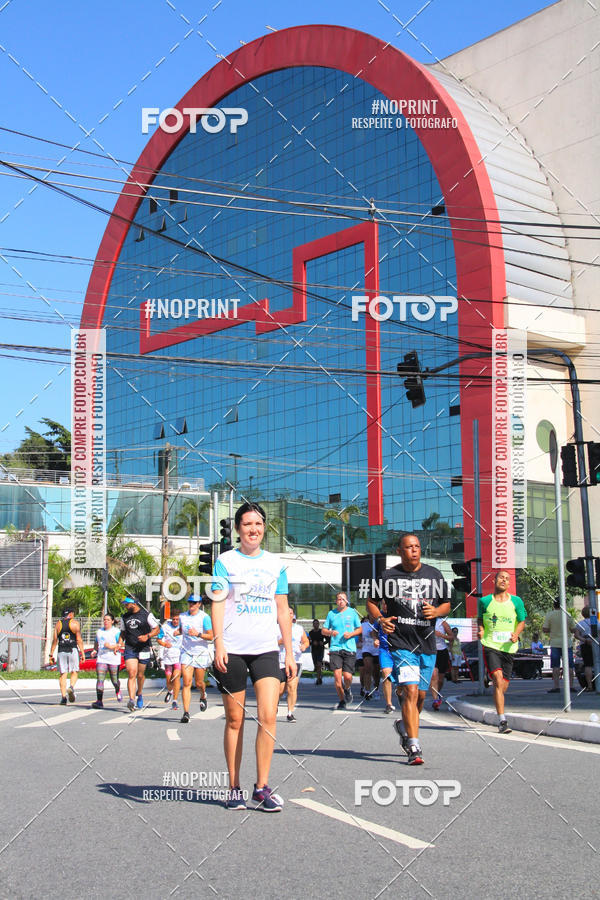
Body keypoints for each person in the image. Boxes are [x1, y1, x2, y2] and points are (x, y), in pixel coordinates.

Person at [211, 502, 295, 812]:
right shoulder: (225, 561)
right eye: (247, 524)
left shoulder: (276, 563)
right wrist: (219, 644)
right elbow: (218, 603)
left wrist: (288, 651)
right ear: (237, 529)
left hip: (265, 649)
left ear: (264, 528)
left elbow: (282, 608)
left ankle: (262, 787)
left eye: (258, 524)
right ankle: (234, 787)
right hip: (232, 648)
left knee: (268, 717)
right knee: (235, 719)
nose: (253, 529)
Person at [367, 533, 450, 766]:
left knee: (421, 696)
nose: (414, 550)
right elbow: (371, 603)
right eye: (408, 547)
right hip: (401, 643)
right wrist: (380, 620)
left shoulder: (434, 574)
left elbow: (446, 603)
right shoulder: (387, 576)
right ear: (399, 551)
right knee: (410, 692)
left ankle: (404, 726)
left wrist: (437, 612)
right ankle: (414, 745)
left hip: (427, 643)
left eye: (417, 546)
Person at [478, 570, 527, 733]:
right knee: (498, 680)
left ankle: (489, 676)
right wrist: (481, 630)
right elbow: (480, 619)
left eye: (507, 579)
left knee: (503, 686)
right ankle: (502, 721)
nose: (504, 581)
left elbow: (521, 621)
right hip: (491, 645)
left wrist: (516, 634)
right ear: (494, 580)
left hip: (509, 647)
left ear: (509, 583)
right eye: (501, 578)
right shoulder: (484, 601)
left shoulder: (516, 601)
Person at [119, 597, 160, 712]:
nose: (125, 606)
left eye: (127, 604)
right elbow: (123, 633)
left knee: (140, 675)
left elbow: (156, 629)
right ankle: (131, 700)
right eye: (125, 604)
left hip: (144, 648)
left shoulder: (146, 615)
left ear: (134, 604)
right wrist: (119, 644)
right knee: (132, 673)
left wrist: (147, 636)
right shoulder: (124, 617)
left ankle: (140, 693)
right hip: (130, 648)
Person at [322, 593, 362, 709]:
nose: (341, 601)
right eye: (339, 599)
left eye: (343, 599)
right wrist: (331, 633)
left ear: (347, 601)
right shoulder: (331, 614)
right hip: (335, 648)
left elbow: (359, 629)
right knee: (337, 677)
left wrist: (351, 634)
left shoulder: (352, 613)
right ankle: (342, 700)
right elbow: (323, 630)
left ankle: (348, 689)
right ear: (336, 601)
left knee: (348, 677)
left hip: (349, 648)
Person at [179, 595, 213, 723]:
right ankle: (186, 713)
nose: (191, 605)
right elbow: (181, 630)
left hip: (200, 653)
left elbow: (211, 636)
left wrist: (197, 634)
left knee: (199, 683)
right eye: (190, 603)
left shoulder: (204, 617)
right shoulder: (183, 616)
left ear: (199, 604)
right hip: (186, 652)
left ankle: (203, 695)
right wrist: (178, 633)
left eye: (194, 603)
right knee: (187, 683)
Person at [49, 607, 86, 705]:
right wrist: (82, 653)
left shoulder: (58, 624)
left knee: (63, 674)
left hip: (61, 651)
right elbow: (78, 639)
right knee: (74, 671)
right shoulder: (75, 623)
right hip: (72, 649)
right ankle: (71, 687)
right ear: (70, 614)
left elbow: (55, 640)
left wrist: (51, 654)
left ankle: (63, 697)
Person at [278, 608, 309, 722]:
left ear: (293, 615)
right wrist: (280, 641)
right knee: (281, 689)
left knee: (292, 687)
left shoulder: (298, 629)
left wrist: (304, 646)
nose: (289, 615)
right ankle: (275, 704)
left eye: (291, 613)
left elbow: (306, 641)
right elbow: (269, 643)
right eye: (286, 613)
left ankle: (290, 713)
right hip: (280, 661)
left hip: (296, 661)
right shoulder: (276, 628)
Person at [543, 599, 576, 692]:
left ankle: (556, 686)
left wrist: (552, 630)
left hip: (555, 643)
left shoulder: (550, 615)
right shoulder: (568, 615)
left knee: (555, 666)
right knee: (569, 666)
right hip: (567, 643)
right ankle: (571, 686)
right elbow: (573, 629)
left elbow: (545, 629)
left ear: (554, 605)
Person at [91, 613, 122, 708]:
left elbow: (120, 645)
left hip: (113, 658)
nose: (106, 621)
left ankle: (117, 690)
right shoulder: (99, 631)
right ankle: (99, 701)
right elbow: (96, 642)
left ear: (112, 621)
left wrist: (111, 647)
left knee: (115, 680)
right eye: (104, 619)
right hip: (102, 658)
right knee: (100, 680)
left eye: (108, 620)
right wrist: (95, 650)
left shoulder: (116, 632)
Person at [157, 608, 183, 710]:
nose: (175, 621)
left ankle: (175, 701)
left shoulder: (183, 627)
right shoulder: (165, 627)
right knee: (169, 680)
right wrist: (164, 644)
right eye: (174, 619)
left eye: (177, 619)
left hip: (179, 657)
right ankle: (170, 691)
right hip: (168, 657)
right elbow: (159, 639)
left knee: (176, 678)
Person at [373, 600, 395, 714]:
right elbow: (374, 631)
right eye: (383, 604)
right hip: (384, 650)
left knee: (403, 678)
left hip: (399, 650)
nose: (385, 606)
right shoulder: (380, 616)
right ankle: (388, 704)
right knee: (386, 675)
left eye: (387, 604)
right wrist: (375, 639)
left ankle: (400, 692)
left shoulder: (397, 614)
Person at [430, 617, 454, 709]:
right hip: (431, 650)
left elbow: (452, 637)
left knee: (440, 679)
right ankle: (435, 699)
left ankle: (437, 693)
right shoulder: (425, 621)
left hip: (442, 651)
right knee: (433, 675)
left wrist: (441, 635)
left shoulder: (442, 623)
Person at [574, 606, 594, 691]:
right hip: (595, 644)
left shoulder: (580, 624)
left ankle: (589, 685)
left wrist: (585, 640)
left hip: (585, 645)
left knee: (588, 665)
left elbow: (576, 635)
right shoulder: (596, 622)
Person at [359, 617, 378, 700]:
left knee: (376, 672)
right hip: (367, 649)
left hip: (377, 650)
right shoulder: (363, 625)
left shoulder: (379, 624)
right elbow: (359, 635)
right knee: (368, 669)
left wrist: (375, 635)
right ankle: (367, 691)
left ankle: (376, 689)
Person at [308, 618, 326, 684]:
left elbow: (328, 639)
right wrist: (312, 642)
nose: (316, 625)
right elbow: (308, 641)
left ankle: (318, 679)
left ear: (319, 624)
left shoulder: (322, 632)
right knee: (316, 665)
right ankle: (320, 676)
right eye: (314, 624)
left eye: (317, 624)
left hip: (320, 650)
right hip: (314, 650)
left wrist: (323, 643)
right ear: (313, 625)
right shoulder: (311, 633)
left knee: (319, 664)